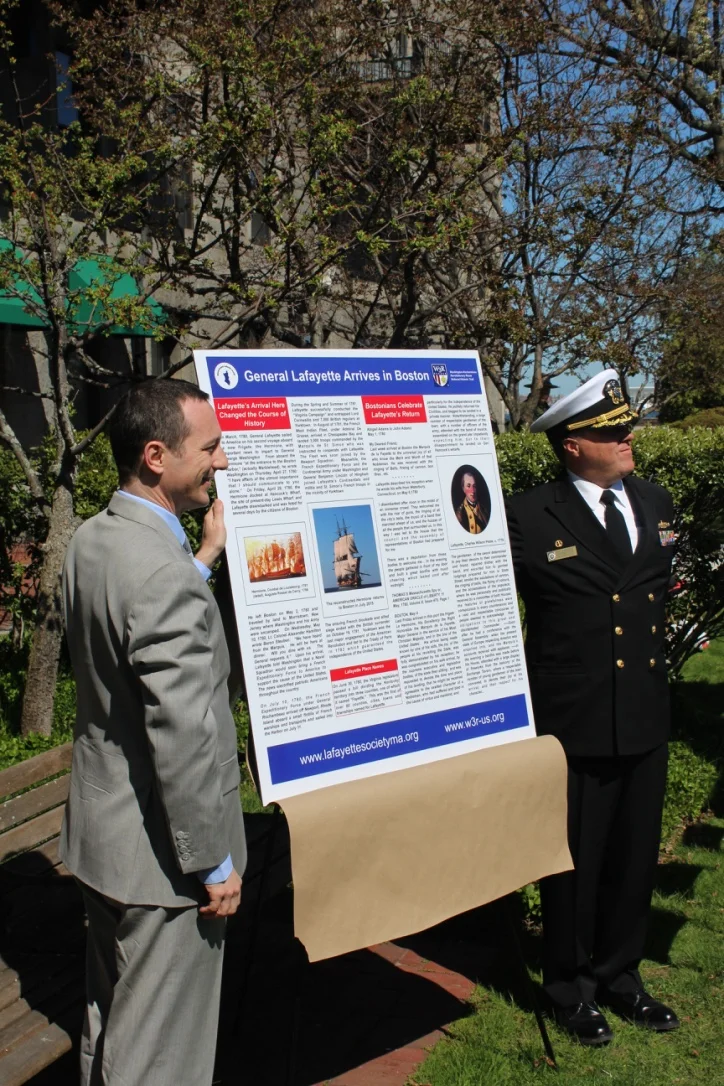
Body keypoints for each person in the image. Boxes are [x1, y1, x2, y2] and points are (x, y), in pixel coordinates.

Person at [60, 379, 247, 1085]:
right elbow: (185, 737)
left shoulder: (93, 540)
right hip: (165, 865)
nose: (222, 462)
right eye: (211, 448)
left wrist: (202, 560)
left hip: (106, 841)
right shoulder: (160, 575)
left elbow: (134, 631)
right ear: (156, 455)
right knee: (159, 1057)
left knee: (110, 1023)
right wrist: (213, 865)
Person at [506, 370, 679, 1045]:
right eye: (611, 432)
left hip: (643, 709)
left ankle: (621, 976)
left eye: (625, 426)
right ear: (573, 445)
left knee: (636, 858)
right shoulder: (528, 515)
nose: (626, 436)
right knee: (574, 860)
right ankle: (570, 986)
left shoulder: (656, 502)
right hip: (573, 718)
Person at [455, 468, 490, 533]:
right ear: (463, 489)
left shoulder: (484, 510)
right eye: (468, 486)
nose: (473, 490)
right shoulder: (459, 514)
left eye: (474, 486)